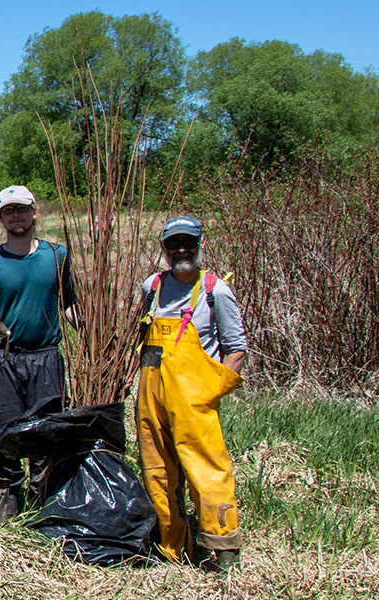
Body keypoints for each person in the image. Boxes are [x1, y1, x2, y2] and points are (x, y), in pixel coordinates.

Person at [136, 216, 248, 571]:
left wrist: (212, 389)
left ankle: (224, 549)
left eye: (188, 243)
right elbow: (140, 338)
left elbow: (237, 348)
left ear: (201, 244)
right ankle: (172, 546)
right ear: (163, 249)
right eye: (174, 244)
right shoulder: (151, 286)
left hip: (194, 397)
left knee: (207, 471)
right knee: (158, 471)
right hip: (151, 393)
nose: (181, 250)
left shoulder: (215, 291)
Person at [0, 185, 79, 504]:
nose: (17, 215)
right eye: (9, 210)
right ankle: (8, 500)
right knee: (4, 434)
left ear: (34, 212)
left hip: (46, 358)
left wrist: (94, 329)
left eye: (22, 208)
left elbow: (71, 304)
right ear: (0, 217)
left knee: (46, 434)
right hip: (6, 360)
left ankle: (44, 501)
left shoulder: (57, 256)